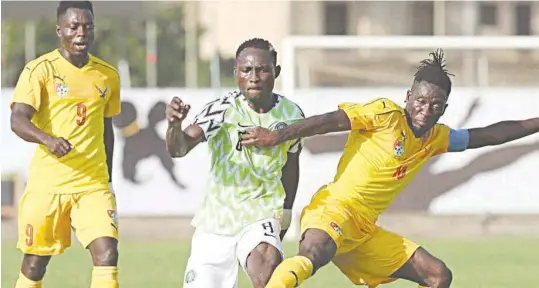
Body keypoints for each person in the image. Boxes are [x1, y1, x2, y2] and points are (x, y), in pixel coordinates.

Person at [240, 49, 539, 288]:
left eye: (436, 105)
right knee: (314, 255)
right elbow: (330, 121)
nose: (426, 110)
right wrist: (277, 135)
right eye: (420, 101)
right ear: (408, 98)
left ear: (445, 109)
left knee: (437, 276)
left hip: (364, 231)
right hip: (333, 210)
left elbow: (491, 134)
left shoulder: (437, 138)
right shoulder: (385, 115)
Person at [165, 38, 305, 288]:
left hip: (262, 211)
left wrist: (286, 211)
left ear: (276, 72)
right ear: (236, 72)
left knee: (267, 266)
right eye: (246, 70)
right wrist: (174, 126)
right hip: (217, 220)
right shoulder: (222, 109)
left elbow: (291, 163)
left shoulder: (292, 114)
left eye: (262, 69)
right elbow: (179, 148)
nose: (253, 77)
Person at [10, 1, 121, 287]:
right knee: (35, 264)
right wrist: (48, 139)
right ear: (60, 30)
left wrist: (107, 178)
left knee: (107, 253)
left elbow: (106, 129)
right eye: (74, 27)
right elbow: (18, 120)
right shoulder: (39, 70)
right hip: (49, 185)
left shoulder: (107, 75)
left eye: (87, 27)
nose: (81, 33)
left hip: (92, 184)